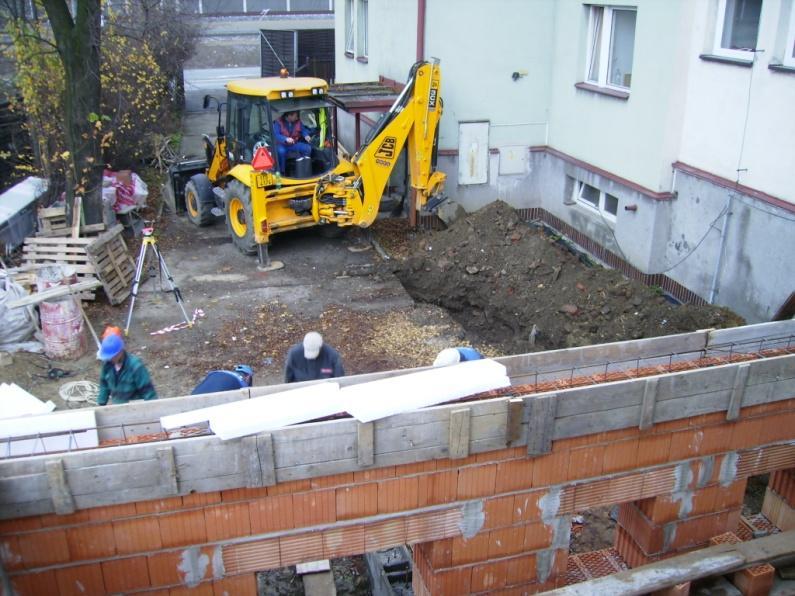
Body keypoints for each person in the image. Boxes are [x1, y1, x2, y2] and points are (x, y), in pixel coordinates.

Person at [96, 334, 157, 405]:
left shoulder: (135, 366)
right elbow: (104, 385)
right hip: (117, 405)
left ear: (120, 352)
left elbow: (148, 391)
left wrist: (153, 407)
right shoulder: (107, 365)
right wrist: (101, 404)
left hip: (134, 406)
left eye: (112, 356)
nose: (110, 359)